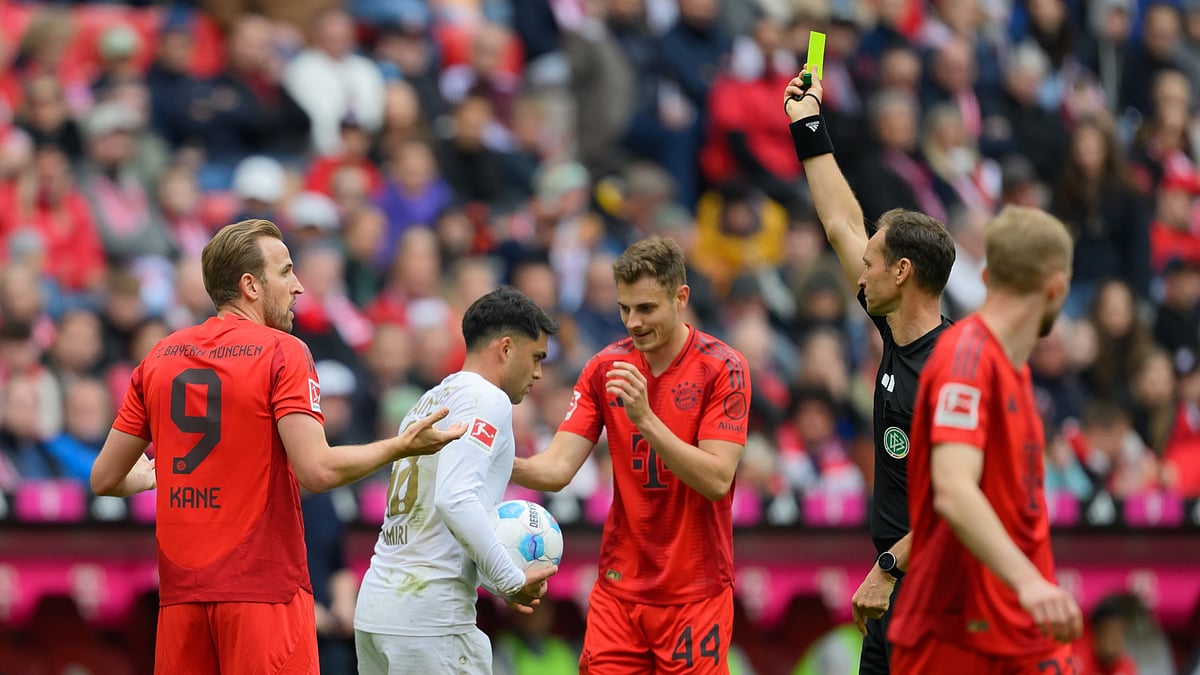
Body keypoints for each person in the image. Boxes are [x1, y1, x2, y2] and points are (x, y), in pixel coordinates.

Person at [89, 218, 465, 674]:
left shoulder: (159, 357)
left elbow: (105, 479)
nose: (299, 286)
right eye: (286, 272)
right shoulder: (283, 350)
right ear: (250, 285)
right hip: (264, 597)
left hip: (181, 603)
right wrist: (402, 445)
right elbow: (318, 471)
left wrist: (146, 477)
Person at [783, 66, 957, 674]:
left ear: (902, 272)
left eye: (872, 263)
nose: (859, 272)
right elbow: (840, 223)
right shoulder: (894, 329)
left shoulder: (953, 370)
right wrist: (808, 125)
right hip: (896, 589)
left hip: (931, 589)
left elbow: (961, 501)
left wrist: (888, 569)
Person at [512, 236, 752, 674]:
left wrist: (645, 420)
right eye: (624, 309)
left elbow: (718, 478)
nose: (633, 322)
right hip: (619, 591)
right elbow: (556, 468)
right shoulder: (605, 368)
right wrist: (492, 460)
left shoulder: (724, 367)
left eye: (646, 308)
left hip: (694, 594)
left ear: (681, 298)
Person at [889, 206, 1084, 673]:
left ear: (988, 273)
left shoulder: (1010, 370)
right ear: (1057, 286)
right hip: (960, 634)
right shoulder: (968, 359)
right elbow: (954, 491)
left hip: (1016, 629)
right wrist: (1030, 583)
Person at [354, 286, 561, 675]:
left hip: (379, 608)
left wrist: (497, 582)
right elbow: (455, 499)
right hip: (430, 618)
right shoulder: (488, 399)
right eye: (536, 357)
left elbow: (437, 518)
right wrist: (511, 579)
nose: (537, 373)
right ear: (505, 348)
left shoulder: (427, 401)